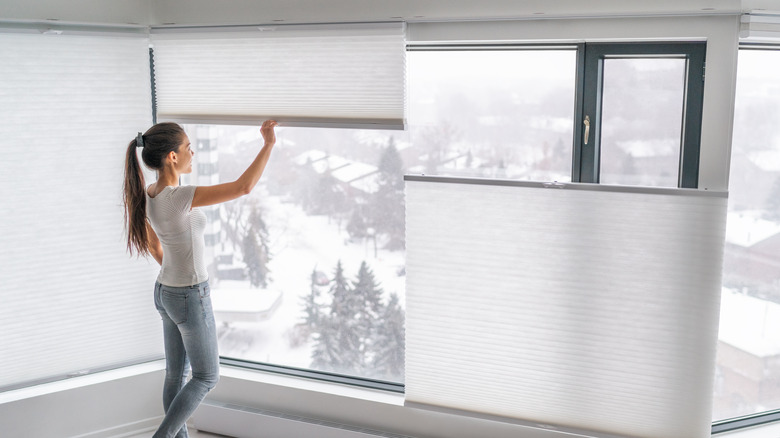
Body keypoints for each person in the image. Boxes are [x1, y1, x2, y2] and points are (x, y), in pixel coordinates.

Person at [122, 119, 278, 438]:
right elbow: (242, 187)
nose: (193, 153)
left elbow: (153, 244)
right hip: (189, 295)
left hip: (166, 290)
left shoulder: (150, 193)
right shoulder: (178, 197)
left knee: (175, 377)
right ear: (172, 157)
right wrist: (268, 145)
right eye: (188, 148)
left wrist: (177, 272)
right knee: (207, 376)